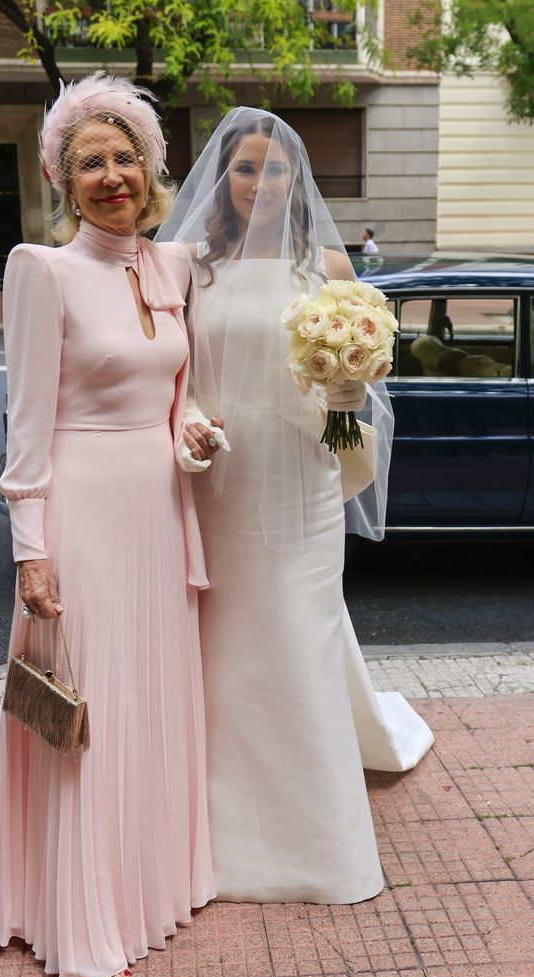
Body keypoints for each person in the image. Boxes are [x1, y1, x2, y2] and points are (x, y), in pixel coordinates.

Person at [155, 108, 434, 903]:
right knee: (227, 631)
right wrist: (191, 426)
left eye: (275, 170)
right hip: (221, 475)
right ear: (223, 177)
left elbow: (349, 413)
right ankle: (213, 812)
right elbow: (172, 377)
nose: (261, 184)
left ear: (296, 179)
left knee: (298, 619)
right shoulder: (188, 265)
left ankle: (313, 827)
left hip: (305, 475)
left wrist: (349, 391)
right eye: (246, 168)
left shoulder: (328, 268)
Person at [0, 73, 216, 977]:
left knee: (154, 693)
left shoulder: (175, 264)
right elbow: (25, 425)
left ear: (152, 167)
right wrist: (30, 547)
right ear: (61, 178)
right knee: (89, 710)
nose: (112, 176)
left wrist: (191, 426)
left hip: (157, 513)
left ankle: (157, 885)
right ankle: (85, 929)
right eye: (89, 163)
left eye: (125, 158)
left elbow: (174, 388)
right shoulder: (44, 271)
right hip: (81, 514)